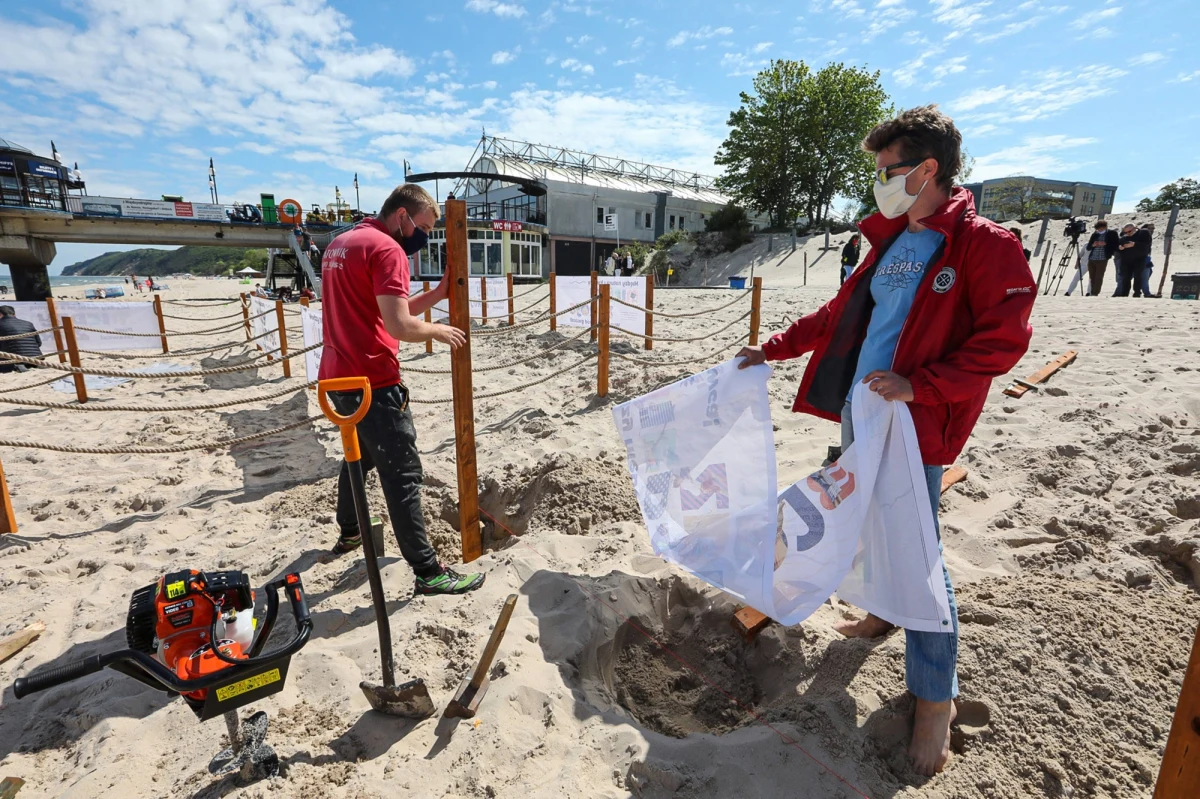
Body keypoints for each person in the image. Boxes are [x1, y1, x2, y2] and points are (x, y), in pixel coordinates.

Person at [737, 105, 1035, 775]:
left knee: (918, 553)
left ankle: (935, 699)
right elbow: (837, 315)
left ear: (928, 169)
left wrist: (922, 385)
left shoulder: (984, 244)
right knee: (867, 520)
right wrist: (773, 350)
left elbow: (1005, 340)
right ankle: (878, 617)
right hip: (860, 412)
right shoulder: (892, 240)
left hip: (914, 420)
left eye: (888, 170)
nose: (879, 182)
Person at [319, 182, 483, 596]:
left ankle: (351, 532)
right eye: (424, 227)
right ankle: (428, 571)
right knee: (403, 474)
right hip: (373, 379)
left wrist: (437, 294)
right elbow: (400, 326)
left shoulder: (342, 243)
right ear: (402, 216)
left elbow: (384, 308)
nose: (424, 237)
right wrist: (441, 331)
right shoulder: (387, 249)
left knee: (359, 457)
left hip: (338, 374)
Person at [0, 305, 44, 373]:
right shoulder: (28, 323)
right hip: (35, 358)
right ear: (14, 314)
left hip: (10, 362)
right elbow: (39, 343)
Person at [1114, 223, 1151, 297]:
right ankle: (1124, 293)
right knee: (1126, 277)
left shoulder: (1143, 233)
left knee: (1138, 276)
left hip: (1139, 259)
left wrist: (1135, 244)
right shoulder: (1124, 238)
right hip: (1126, 260)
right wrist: (1120, 248)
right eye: (1126, 232)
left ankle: (1137, 292)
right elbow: (1117, 248)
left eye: (1129, 231)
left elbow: (1147, 246)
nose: (1128, 233)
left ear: (1135, 228)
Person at [1085, 220, 1119, 297]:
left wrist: (1105, 244)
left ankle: (1095, 293)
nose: (1100, 230)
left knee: (1099, 276)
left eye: (1101, 228)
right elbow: (1088, 247)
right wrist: (1093, 245)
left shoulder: (1112, 233)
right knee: (1092, 276)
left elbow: (1116, 245)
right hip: (1092, 258)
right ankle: (1092, 291)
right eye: (1098, 229)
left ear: (1105, 227)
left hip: (1103, 258)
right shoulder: (1095, 234)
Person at [1133, 223, 1155, 298]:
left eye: (1153, 229)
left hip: (1145, 259)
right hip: (1142, 259)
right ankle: (1146, 293)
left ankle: (1141, 290)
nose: (1152, 230)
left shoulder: (1147, 237)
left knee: (1147, 273)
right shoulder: (1143, 236)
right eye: (1150, 228)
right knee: (1144, 276)